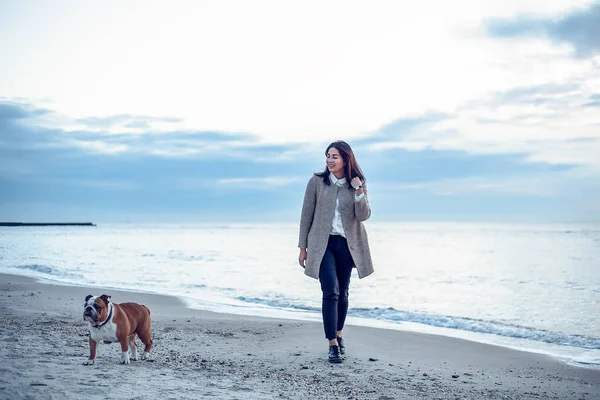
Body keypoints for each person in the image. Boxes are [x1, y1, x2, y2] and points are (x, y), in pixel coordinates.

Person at [298, 140, 374, 363]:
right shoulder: (317, 182)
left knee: (343, 293)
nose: (330, 160)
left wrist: (358, 189)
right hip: (323, 245)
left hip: (347, 246)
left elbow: (364, 216)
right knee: (330, 291)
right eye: (328, 156)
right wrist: (303, 247)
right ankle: (332, 343)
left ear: (345, 159)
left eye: (334, 156)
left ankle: (339, 335)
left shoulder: (357, 184)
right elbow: (306, 216)